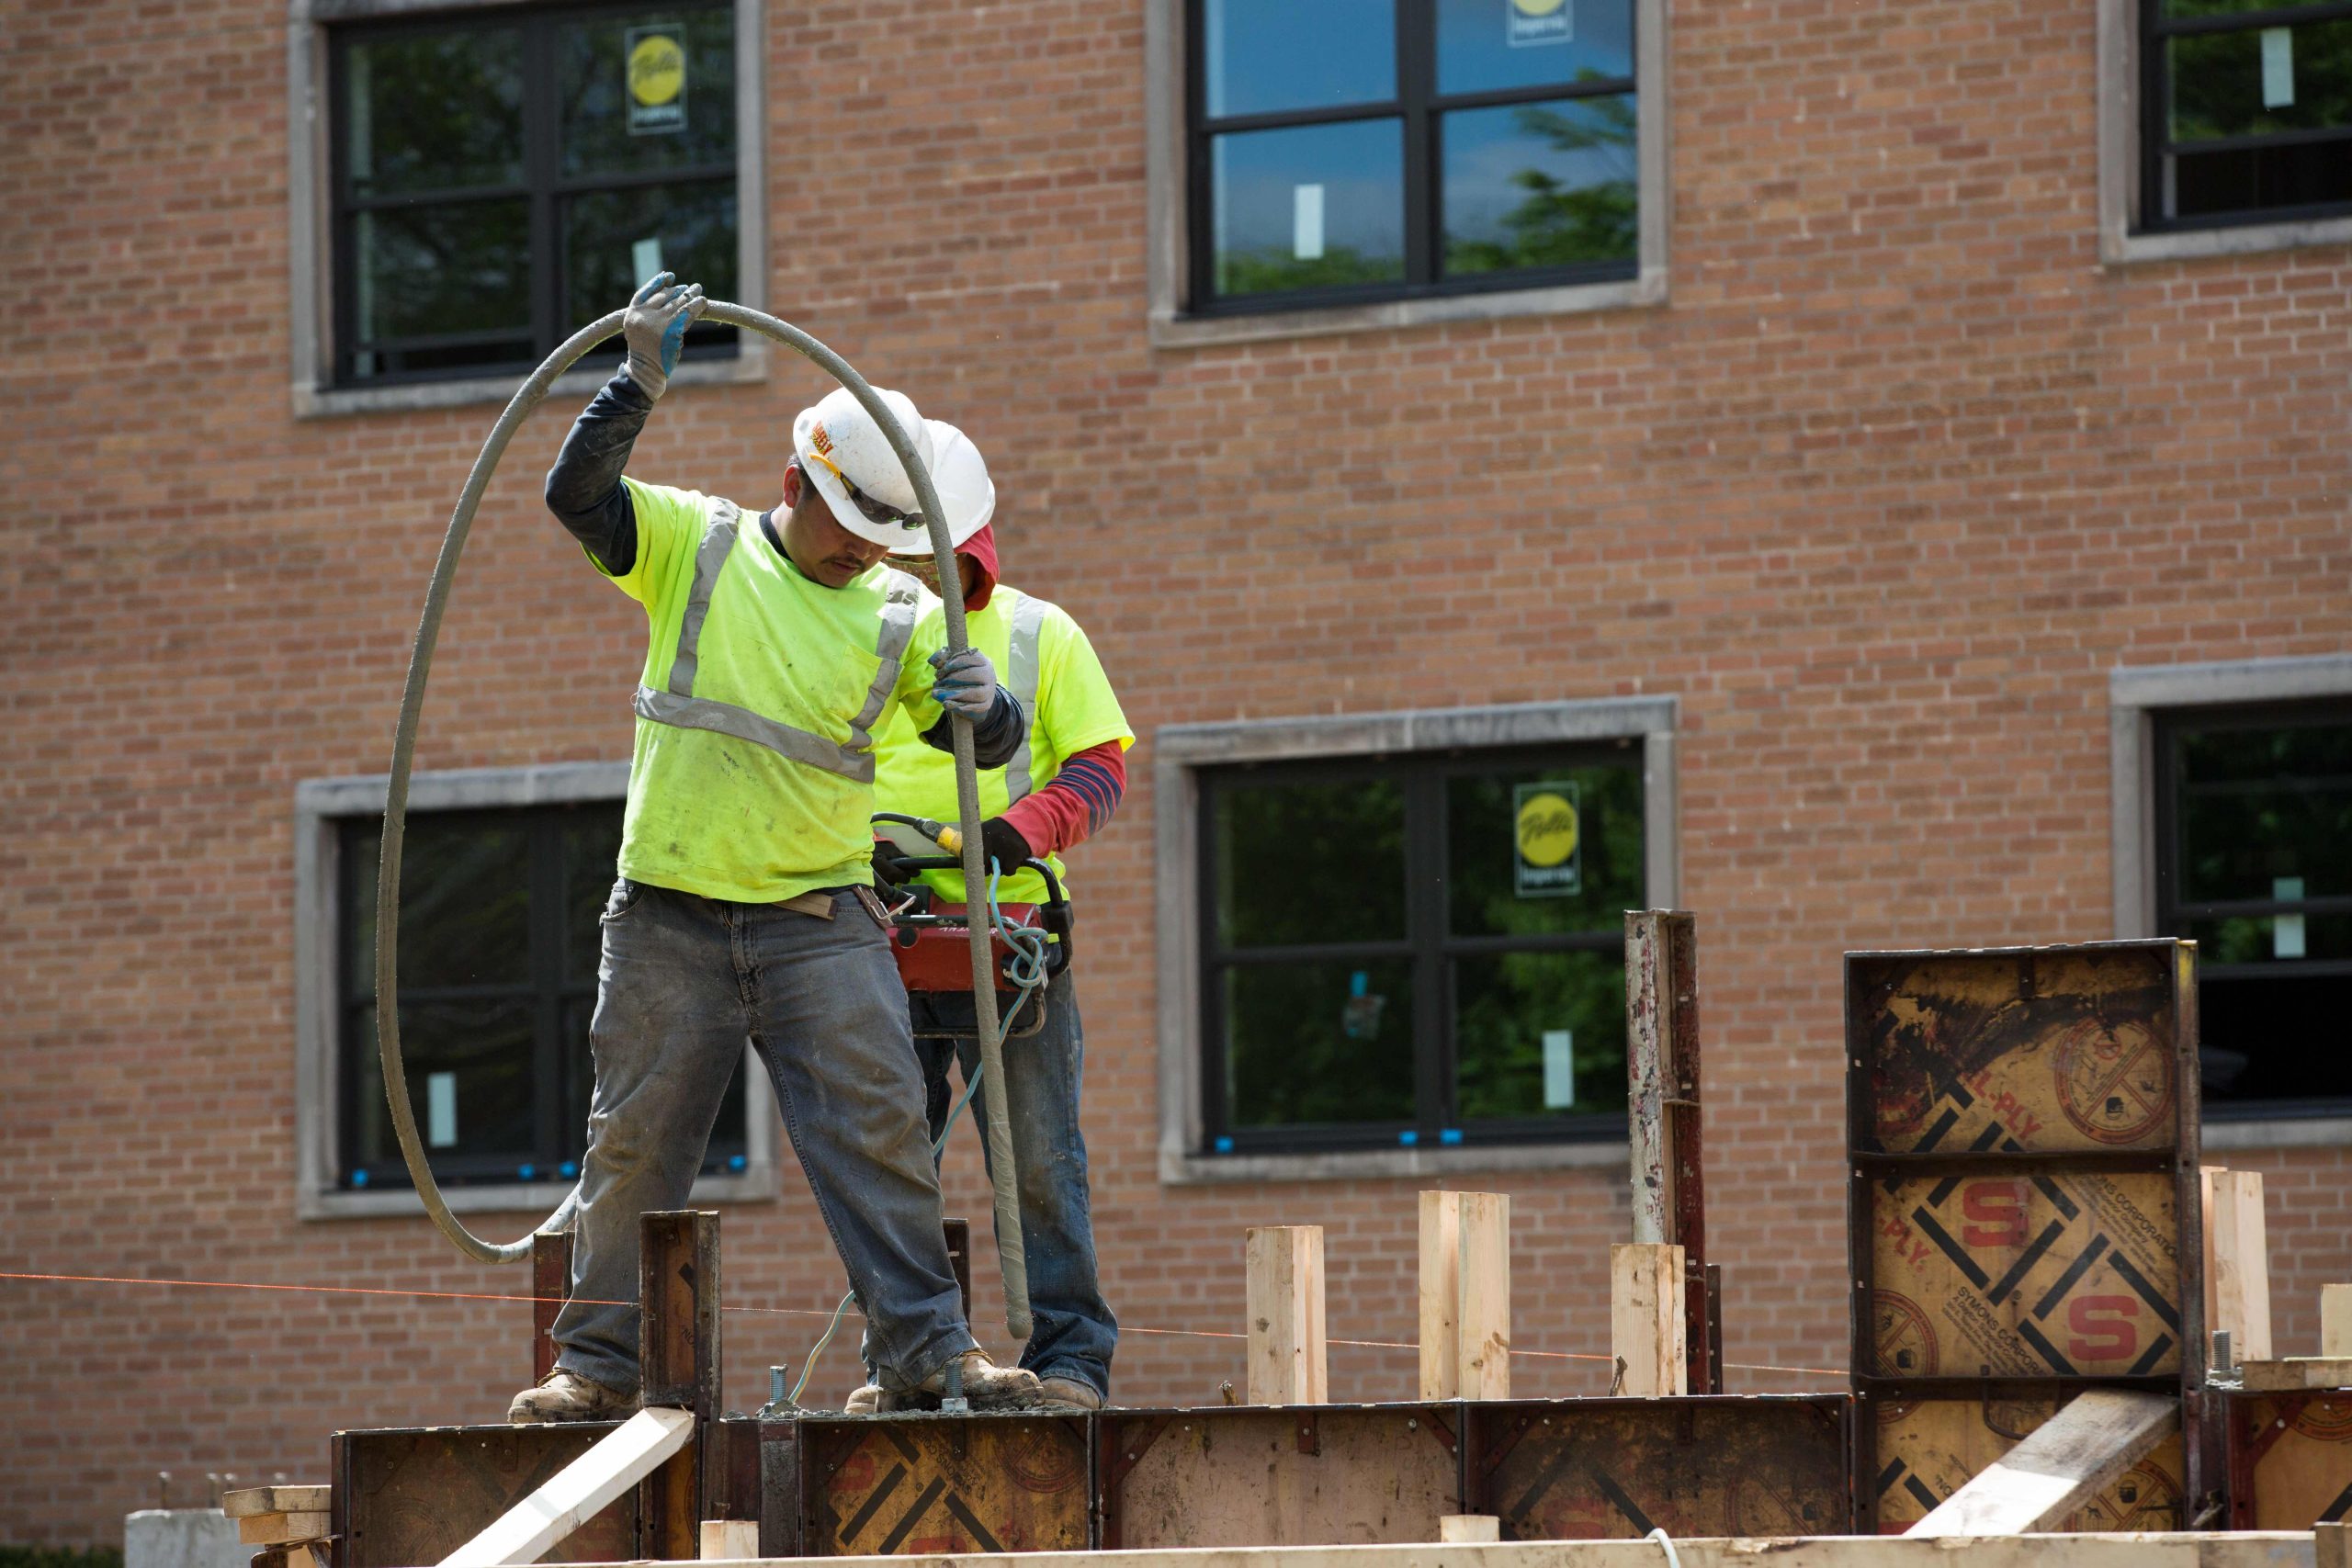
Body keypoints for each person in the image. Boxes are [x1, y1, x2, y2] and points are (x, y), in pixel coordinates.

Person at [508, 274, 1042, 1422]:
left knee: (880, 1133)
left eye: (879, 543)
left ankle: (922, 1357)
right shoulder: (692, 547)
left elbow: (984, 745)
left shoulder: (900, 614)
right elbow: (576, 496)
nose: (863, 558)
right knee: (634, 1146)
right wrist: (635, 384)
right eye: (848, 534)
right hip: (668, 914)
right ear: (795, 481)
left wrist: (984, 704)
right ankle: (597, 1370)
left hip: (821, 919)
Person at [854, 428, 1132, 1413]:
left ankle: (1069, 1360)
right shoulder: (856, 629)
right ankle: (903, 1365)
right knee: (890, 1159)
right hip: (879, 931)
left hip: (1012, 939)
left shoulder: (1037, 633)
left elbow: (1100, 769)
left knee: (1040, 1156)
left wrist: (1017, 833)